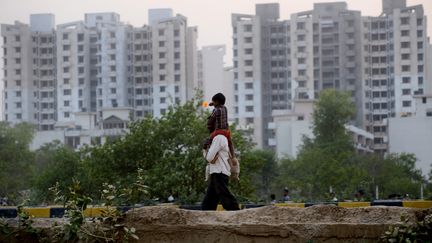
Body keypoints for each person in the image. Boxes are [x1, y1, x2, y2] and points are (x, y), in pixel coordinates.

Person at [201, 133, 240, 211]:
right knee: (209, 202)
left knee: (225, 196)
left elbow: (209, 158)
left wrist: (206, 151)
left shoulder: (219, 138)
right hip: (216, 173)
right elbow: (209, 159)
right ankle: (207, 216)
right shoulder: (218, 140)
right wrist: (205, 149)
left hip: (219, 172)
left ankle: (236, 212)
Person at [203, 93, 235, 158]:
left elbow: (210, 121)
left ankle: (210, 154)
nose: (213, 103)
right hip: (226, 131)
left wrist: (210, 129)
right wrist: (213, 104)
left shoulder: (216, 110)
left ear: (217, 102)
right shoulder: (225, 108)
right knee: (230, 143)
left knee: (208, 141)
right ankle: (233, 156)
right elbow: (218, 105)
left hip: (219, 131)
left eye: (214, 102)